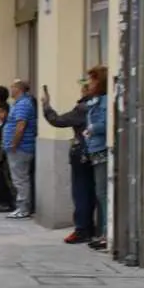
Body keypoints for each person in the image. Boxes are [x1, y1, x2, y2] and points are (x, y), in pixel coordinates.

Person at [42, 80, 94, 244]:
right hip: (94, 152)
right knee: (92, 192)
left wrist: (46, 106)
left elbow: (58, 120)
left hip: (81, 152)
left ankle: (82, 229)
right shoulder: (98, 105)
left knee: (81, 191)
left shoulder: (83, 108)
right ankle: (92, 228)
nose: (82, 90)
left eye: (85, 87)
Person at [3, 79, 38, 220]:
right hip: (18, 147)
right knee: (19, 178)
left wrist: (14, 144)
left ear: (18, 89)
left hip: (20, 148)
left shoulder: (23, 104)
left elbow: (21, 126)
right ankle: (21, 207)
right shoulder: (18, 103)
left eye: (12, 86)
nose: (10, 89)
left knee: (20, 179)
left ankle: (23, 208)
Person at [84, 66, 109, 250]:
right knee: (100, 193)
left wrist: (91, 129)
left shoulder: (104, 101)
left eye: (92, 80)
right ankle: (103, 232)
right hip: (95, 149)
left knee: (103, 193)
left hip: (101, 149)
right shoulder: (96, 101)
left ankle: (107, 233)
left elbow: (106, 123)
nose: (89, 84)